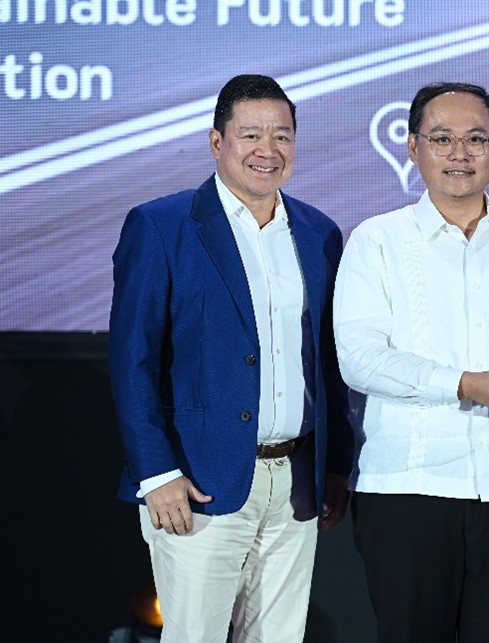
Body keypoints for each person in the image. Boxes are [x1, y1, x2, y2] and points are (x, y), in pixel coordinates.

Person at [109, 74, 353, 643]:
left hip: (297, 483)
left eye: (282, 136)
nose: (268, 150)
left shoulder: (319, 232)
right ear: (216, 142)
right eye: (250, 135)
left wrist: (336, 465)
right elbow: (132, 360)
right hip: (197, 483)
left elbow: (327, 361)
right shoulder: (162, 225)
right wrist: (156, 474)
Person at [332, 82, 489, 643]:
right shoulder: (377, 240)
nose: (460, 153)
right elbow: (359, 359)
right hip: (409, 488)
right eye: (442, 139)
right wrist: (460, 384)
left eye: (476, 139)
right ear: (413, 147)